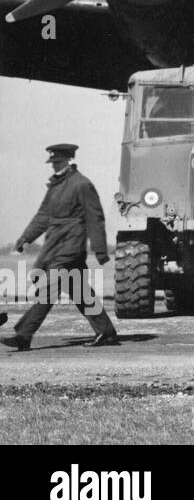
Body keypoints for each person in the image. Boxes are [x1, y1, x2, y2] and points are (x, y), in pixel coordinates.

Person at [2, 144, 119, 351]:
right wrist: (24, 238)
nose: (54, 167)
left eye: (58, 163)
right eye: (53, 163)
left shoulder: (82, 184)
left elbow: (95, 218)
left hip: (71, 246)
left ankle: (23, 334)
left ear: (69, 161)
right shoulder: (55, 187)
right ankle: (106, 332)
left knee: (49, 288)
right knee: (79, 291)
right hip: (55, 245)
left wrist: (100, 250)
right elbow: (43, 216)